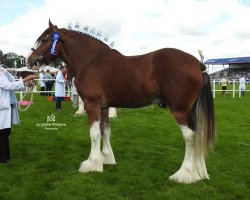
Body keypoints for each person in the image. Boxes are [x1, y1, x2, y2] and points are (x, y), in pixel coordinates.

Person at [0, 64, 37, 163]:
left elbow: (12, 82)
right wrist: (25, 79)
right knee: (3, 133)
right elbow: (8, 85)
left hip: (7, 104)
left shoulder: (3, 73)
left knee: (6, 132)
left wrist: (6, 72)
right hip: (2, 106)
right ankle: (3, 158)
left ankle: (5, 156)